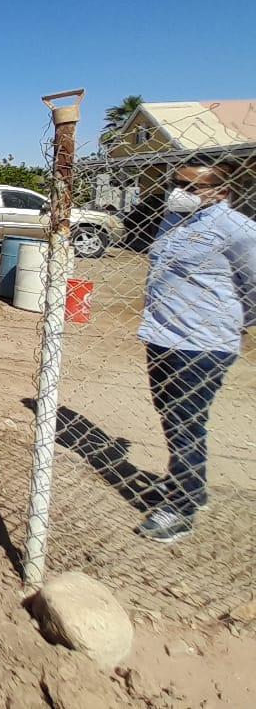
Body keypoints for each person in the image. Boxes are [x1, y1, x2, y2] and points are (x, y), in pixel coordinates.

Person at [135, 161, 255, 544]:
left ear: (220, 190)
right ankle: (193, 487)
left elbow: (253, 285)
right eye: (176, 183)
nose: (178, 192)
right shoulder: (173, 220)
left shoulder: (236, 229)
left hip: (202, 343)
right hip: (162, 336)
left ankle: (181, 509)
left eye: (189, 186)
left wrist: (238, 323)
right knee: (172, 417)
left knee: (186, 422)